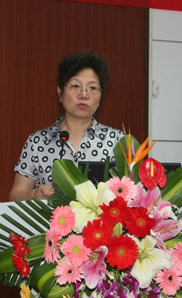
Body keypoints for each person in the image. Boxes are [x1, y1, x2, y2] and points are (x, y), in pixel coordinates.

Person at [8, 51, 124, 201]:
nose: (84, 94)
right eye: (75, 85)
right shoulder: (37, 141)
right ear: (60, 93)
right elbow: (15, 195)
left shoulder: (117, 140)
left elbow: (132, 193)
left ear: (101, 96)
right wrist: (34, 194)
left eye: (93, 88)